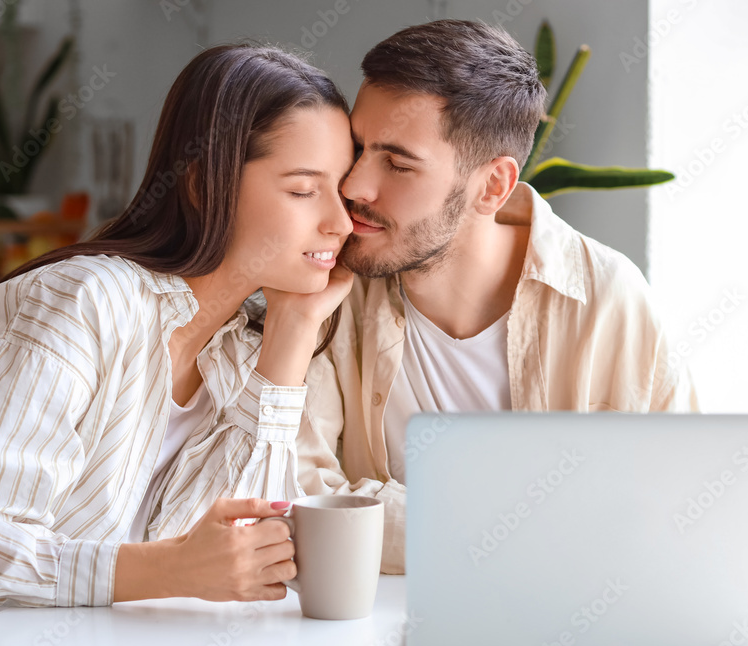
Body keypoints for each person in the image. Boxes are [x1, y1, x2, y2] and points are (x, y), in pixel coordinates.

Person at [0, 43, 355, 642]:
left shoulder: (242, 347)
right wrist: (168, 568)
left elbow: (245, 564)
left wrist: (293, 331)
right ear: (201, 182)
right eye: (302, 190)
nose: (340, 223)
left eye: (342, 190)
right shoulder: (86, 303)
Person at [294, 20, 699, 575]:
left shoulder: (608, 299)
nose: (354, 187)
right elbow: (299, 495)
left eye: (397, 163)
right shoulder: (330, 288)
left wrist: (449, 531)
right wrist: (523, 532)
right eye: (358, 149)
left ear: (492, 186)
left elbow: (678, 512)